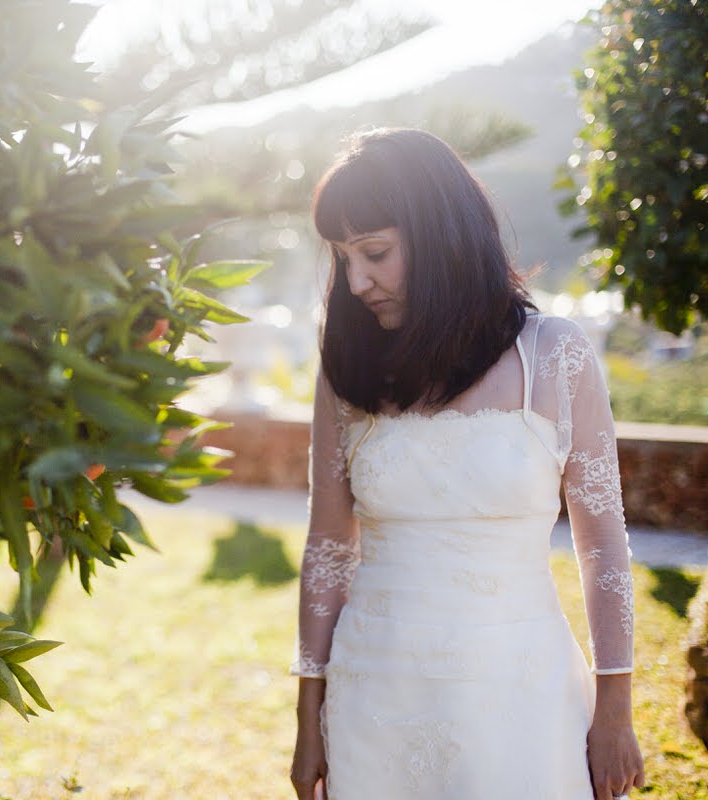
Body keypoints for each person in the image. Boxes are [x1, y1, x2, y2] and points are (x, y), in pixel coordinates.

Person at [288, 128, 644, 800]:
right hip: (374, 694)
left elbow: (604, 551)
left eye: (376, 253)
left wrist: (615, 711)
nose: (357, 281)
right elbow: (328, 549)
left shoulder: (554, 356)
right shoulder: (349, 372)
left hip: (521, 693)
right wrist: (309, 720)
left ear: (440, 233)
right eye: (343, 258)